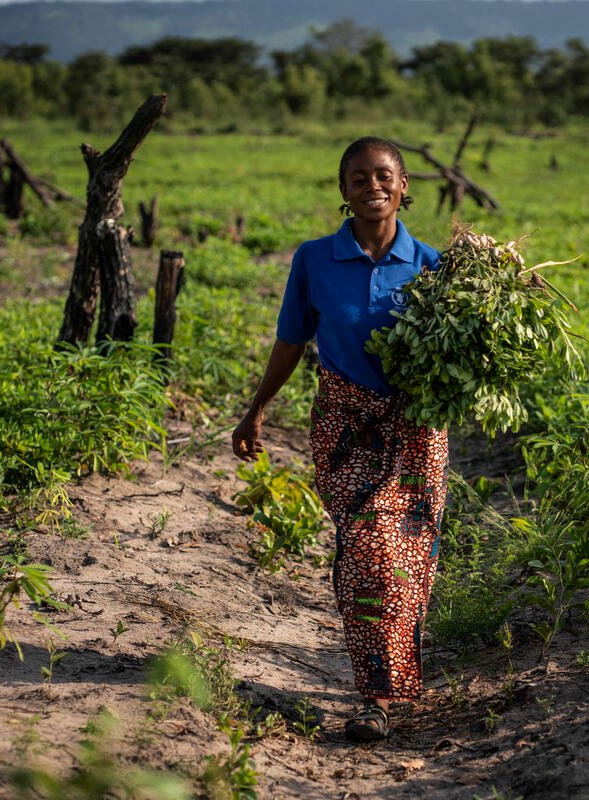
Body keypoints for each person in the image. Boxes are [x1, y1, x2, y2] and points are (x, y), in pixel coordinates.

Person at [232, 136, 448, 742]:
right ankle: (378, 690)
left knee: (407, 560)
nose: (372, 186)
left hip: (415, 432)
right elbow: (291, 341)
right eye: (358, 178)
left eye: (384, 176)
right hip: (344, 428)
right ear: (343, 190)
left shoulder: (432, 267)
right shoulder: (314, 260)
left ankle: (380, 693)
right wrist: (256, 413)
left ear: (405, 186)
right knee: (369, 552)